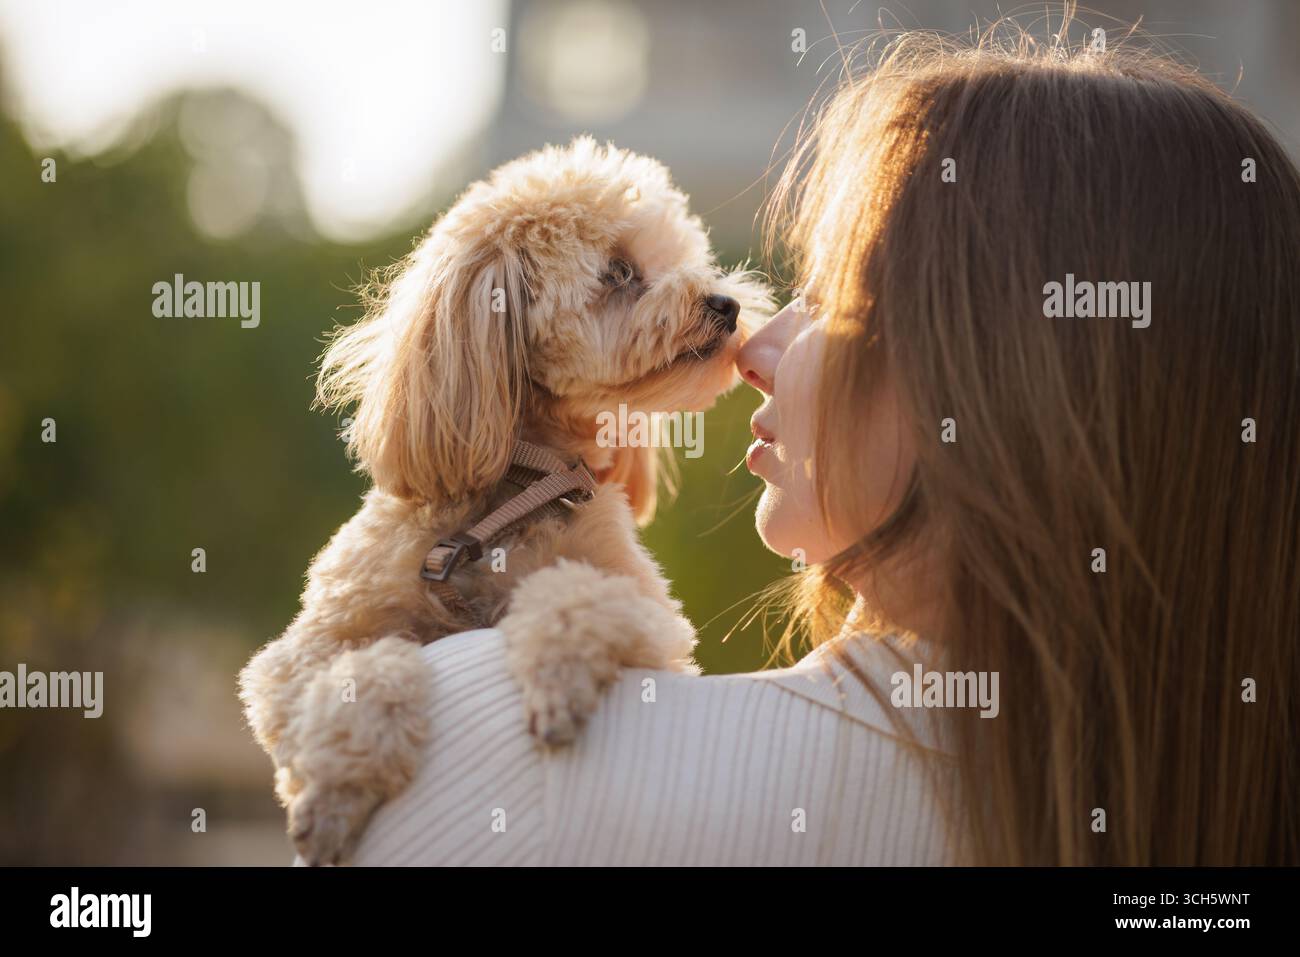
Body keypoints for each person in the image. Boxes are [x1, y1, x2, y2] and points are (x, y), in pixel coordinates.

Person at [349, 27, 1300, 866]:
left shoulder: (482, 740)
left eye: (836, 300)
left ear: (1007, 385)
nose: (751, 343)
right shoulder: (1222, 814)